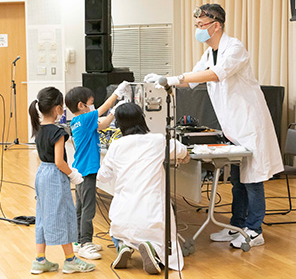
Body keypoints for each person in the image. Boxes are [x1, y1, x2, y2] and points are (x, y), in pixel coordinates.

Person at [145, 3, 284, 249]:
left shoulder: (235, 48)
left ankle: (255, 230)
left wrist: (177, 79)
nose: (198, 30)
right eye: (196, 25)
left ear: (216, 25)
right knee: (237, 179)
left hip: (250, 124)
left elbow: (215, 75)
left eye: (201, 26)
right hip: (234, 126)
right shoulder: (209, 53)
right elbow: (193, 78)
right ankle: (236, 226)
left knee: (252, 179)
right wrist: (164, 81)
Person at [97, 102, 190, 275]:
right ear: (142, 119)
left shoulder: (116, 145)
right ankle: (152, 251)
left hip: (123, 215)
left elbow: (102, 176)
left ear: (118, 124)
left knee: (116, 231)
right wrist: (183, 157)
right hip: (152, 214)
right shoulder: (158, 140)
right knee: (161, 239)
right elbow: (183, 151)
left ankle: (124, 246)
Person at [28, 87, 95, 274]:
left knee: (42, 215)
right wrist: (73, 175)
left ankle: (40, 260)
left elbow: (45, 158)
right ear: (57, 109)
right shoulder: (58, 133)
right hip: (55, 177)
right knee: (63, 216)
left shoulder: (38, 129)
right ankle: (71, 260)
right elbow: (59, 162)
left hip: (42, 174)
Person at [65, 81, 129, 260]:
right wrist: (117, 93)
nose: (92, 106)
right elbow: (104, 108)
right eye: (90, 103)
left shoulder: (78, 122)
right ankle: (85, 243)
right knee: (88, 209)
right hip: (87, 171)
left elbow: (104, 124)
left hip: (80, 170)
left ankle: (78, 241)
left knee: (80, 207)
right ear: (81, 105)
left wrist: (114, 112)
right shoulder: (85, 118)